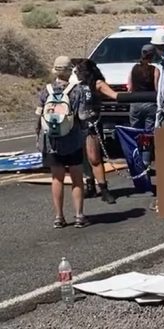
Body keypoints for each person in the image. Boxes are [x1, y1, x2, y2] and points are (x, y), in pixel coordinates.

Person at [36, 56, 90, 228]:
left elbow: (38, 116)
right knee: (76, 178)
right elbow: (82, 116)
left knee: (57, 178)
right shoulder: (77, 90)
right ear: (69, 71)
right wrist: (85, 130)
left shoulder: (46, 91)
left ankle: (59, 217)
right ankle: (79, 215)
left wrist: (39, 136)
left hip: (51, 140)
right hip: (72, 139)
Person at [73, 58, 118, 204]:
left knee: (94, 158)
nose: (76, 73)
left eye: (79, 71)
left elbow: (114, 95)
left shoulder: (98, 84)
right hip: (78, 125)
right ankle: (90, 185)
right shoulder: (76, 86)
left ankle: (104, 189)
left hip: (92, 125)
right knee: (83, 158)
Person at [127, 44, 160, 131]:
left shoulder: (133, 68)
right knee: (149, 132)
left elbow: (129, 88)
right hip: (150, 104)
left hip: (135, 104)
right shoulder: (155, 70)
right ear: (153, 56)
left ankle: (136, 144)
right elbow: (157, 89)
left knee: (135, 131)